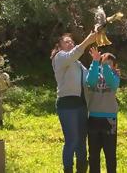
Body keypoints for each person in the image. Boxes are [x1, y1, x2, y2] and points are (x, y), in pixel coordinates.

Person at [51, 32, 96, 173]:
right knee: (72, 139)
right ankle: (68, 169)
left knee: (82, 139)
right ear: (59, 46)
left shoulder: (78, 64)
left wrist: (101, 67)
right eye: (67, 42)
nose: (70, 44)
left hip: (81, 105)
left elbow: (89, 79)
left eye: (71, 41)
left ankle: (81, 169)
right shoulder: (60, 58)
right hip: (67, 105)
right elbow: (74, 53)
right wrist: (88, 40)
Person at [85, 47, 120, 173]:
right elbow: (90, 81)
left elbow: (112, 83)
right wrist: (95, 62)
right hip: (94, 118)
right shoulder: (94, 70)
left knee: (110, 153)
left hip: (109, 119)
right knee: (93, 154)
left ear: (115, 66)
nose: (105, 64)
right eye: (103, 61)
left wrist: (105, 67)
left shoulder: (115, 75)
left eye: (109, 62)